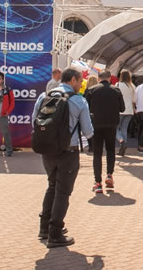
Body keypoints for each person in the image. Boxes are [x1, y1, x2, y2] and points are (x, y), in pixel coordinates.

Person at [32, 67, 94, 247]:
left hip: (47, 150)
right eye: (80, 80)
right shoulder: (79, 101)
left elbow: (34, 122)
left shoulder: (44, 97)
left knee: (52, 186)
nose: (82, 83)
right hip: (69, 151)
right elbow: (88, 131)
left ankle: (44, 227)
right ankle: (55, 233)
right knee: (63, 192)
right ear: (73, 80)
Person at [86, 71, 125, 193]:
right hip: (111, 124)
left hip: (96, 124)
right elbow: (122, 108)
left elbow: (85, 107)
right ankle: (109, 174)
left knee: (97, 153)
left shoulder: (91, 90)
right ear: (109, 78)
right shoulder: (116, 90)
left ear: (98, 78)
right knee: (110, 150)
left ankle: (97, 182)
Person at [116, 70, 136, 156]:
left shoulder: (118, 85)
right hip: (130, 110)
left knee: (115, 128)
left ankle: (122, 141)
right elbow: (134, 100)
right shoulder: (132, 86)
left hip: (119, 110)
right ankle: (123, 146)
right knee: (124, 128)